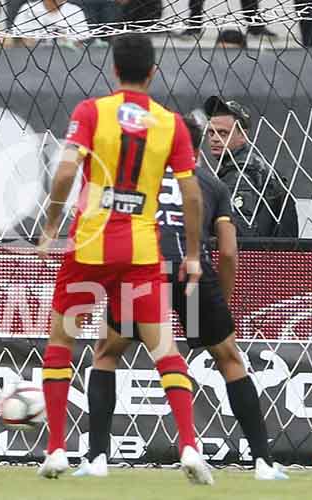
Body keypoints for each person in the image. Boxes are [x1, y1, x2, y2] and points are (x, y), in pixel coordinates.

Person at [34, 33, 212, 484]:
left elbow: (69, 169)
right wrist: (192, 253)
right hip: (140, 250)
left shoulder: (92, 111)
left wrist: (52, 225)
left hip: (89, 246)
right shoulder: (170, 123)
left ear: (113, 70)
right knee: (164, 349)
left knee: (62, 343)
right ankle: (189, 444)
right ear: (152, 72)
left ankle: (57, 449)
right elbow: (191, 192)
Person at [76, 118, 288, 481]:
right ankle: (264, 463)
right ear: (196, 149)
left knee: (107, 353)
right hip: (192, 274)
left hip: (142, 270)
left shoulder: (134, 180)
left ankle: (96, 458)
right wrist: (221, 301)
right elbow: (229, 251)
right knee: (229, 359)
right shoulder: (213, 184)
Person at [204, 96, 298, 238]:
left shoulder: (241, 174)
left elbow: (241, 234)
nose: (215, 139)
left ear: (243, 135)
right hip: (275, 255)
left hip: (260, 258)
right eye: (211, 133)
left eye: (223, 133)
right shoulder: (253, 165)